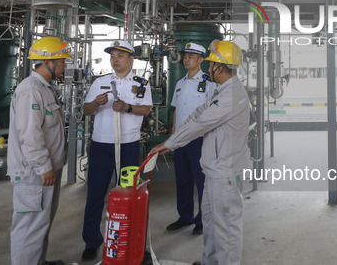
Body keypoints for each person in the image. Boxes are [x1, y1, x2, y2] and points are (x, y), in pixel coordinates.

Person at [151, 40, 250, 265]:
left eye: (211, 64)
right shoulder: (225, 90)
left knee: (226, 226)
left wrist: (170, 143)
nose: (208, 68)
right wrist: (175, 138)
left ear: (220, 68)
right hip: (215, 167)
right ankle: (210, 261)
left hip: (223, 170)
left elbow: (200, 123)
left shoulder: (231, 96)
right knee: (212, 221)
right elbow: (199, 112)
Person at [81, 40, 153, 261]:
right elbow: (86, 110)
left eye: (119, 55)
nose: (114, 59)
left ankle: (133, 240)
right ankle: (92, 242)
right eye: (112, 55)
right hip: (101, 145)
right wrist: (96, 103)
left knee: (131, 194)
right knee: (95, 194)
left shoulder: (141, 83)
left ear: (131, 59)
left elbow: (146, 109)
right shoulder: (100, 82)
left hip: (128, 145)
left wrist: (127, 107)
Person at [7, 36, 71, 265]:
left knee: (41, 224)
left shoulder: (43, 89)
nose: (65, 66)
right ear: (48, 63)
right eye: (62, 61)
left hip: (45, 171)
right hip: (34, 173)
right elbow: (30, 134)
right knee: (29, 228)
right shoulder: (30, 91)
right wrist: (44, 167)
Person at [166, 42, 216, 235]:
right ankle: (184, 216)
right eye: (185, 56)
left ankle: (202, 219)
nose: (186, 59)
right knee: (183, 180)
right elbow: (177, 110)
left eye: (191, 57)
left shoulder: (210, 84)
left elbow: (213, 113)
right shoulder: (179, 83)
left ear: (201, 60)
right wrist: (173, 136)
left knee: (201, 180)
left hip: (199, 139)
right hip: (180, 140)